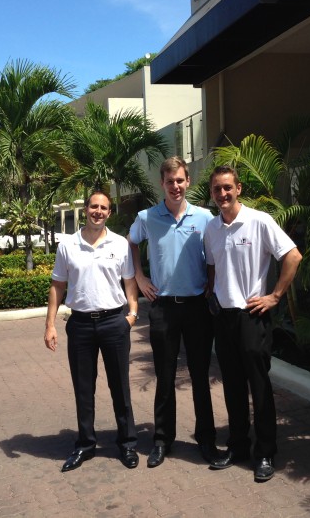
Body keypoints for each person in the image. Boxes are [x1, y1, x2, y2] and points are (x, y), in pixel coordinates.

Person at [203, 165, 302, 482]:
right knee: (232, 387)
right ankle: (238, 447)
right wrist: (212, 294)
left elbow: (293, 256)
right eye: (217, 189)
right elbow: (212, 266)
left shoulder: (259, 221)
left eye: (227, 187)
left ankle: (265, 453)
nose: (222, 194)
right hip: (224, 317)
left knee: (259, 387)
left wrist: (275, 296)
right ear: (212, 193)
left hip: (252, 316)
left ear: (239, 189)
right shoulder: (211, 229)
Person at [128, 156, 219, 468]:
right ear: (162, 184)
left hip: (197, 308)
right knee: (165, 377)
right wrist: (140, 277)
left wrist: (211, 281)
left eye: (180, 180)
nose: (175, 186)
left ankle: (206, 439)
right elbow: (130, 244)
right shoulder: (147, 217)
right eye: (170, 181)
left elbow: (215, 253)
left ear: (188, 181)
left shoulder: (205, 217)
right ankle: (162, 440)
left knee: (199, 376)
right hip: (164, 308)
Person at [44, 191, 140, 472]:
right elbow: (57, 285)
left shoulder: (119, 244)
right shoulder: (68, 245)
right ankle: (85, 445)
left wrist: (132, 314)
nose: (98, 211)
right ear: (86, 209)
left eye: (103, 208)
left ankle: (127, 443)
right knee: (83, 388)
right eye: (94, 206)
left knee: (120, 387)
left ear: (109, 212)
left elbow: (130, 281)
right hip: (81, 325)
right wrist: (50, 324)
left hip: (114, 323)